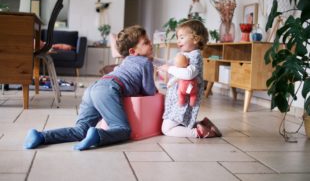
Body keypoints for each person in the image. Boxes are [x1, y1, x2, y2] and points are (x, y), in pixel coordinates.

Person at [24, 25, 157, 150]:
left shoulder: (124, 63)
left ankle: (41, 136)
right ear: (133, 51)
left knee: (80, 130)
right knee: (122, 129)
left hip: (94, 87)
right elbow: (149, 91)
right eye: (146, 42)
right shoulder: (145, 62)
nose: (151, 43)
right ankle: (98, 135)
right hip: (109, 89)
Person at [158, 19, 222, 138]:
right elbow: (169, 63)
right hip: (178, 97)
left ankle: (198, 132)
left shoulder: (195, 55)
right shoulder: (184, 54)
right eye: (178, 38)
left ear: (195, 39)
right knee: (179, 122)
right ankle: (204, 124)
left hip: (186, 98)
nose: (178, 41)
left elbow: (189, 74)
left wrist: (169, 69)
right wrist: (155, 61)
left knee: (166, 129)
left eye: (182, 37)